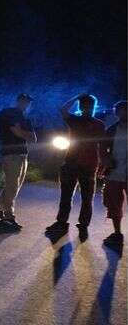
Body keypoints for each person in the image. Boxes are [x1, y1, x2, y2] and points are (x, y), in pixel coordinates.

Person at [45, 94, 105, 240]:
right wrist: (77, 97)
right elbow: (62, 109)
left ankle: (79, 224)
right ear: (82, 107)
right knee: (69, 195)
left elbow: (102, 145)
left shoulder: (96, 124)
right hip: (73, 163)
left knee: (83, 197)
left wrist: (102, 164)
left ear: (92, 107)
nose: (87, 108)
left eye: (89, 106)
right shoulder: (77, 121)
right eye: (85, 106)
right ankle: (65, 222)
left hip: (85, 164)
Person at [0, 93, 37, 229]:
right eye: (24, 101)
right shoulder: (10, 113)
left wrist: (24, 133)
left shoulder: (24, 117)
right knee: (12, 185)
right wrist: (26, 134)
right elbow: (17, 132)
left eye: (28, 102)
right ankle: (8, 216)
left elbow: (34, 138)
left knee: (14, 185)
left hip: (21, 154)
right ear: (18, 101)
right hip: (12, 154)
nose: (27, 104)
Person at [102, 100, 127, 249]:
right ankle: (117, 233)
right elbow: (103, 149)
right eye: (121, 110)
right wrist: (105, 160)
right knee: (114, 205)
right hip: (114, 174)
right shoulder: (111, 130)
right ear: (117, 113)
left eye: (126, 110)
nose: (124, 113)